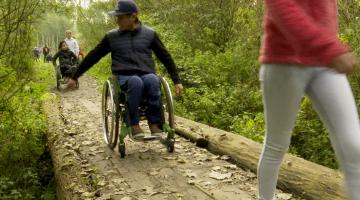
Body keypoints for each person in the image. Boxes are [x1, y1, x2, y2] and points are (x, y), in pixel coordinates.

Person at [257, 1, 360, 200]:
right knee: (277, 144)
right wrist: (330, 47)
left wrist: (330, 47)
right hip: (284, 59)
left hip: (326, 62)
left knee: (354, 145)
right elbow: (281, 6)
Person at [66, 0, 183, 139]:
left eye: (120, 17)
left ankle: (155, 124)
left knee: (153, 80)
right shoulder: (112, 37)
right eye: (117, 17)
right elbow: (93, 56)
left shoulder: (150, 34)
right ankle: (133, 124)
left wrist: (177, 80)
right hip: (124, 76)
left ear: (133, 17)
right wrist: (75, 76)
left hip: (146, 73)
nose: (117, 21)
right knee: (135, 82)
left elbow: (166, 57)